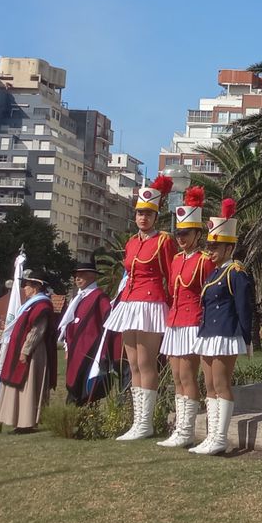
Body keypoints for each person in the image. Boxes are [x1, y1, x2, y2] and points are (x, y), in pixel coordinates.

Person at [106, 175, 175, 440]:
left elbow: (171, 275)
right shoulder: (132, 243)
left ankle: (146, 422)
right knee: (132, 364)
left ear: (156, 216)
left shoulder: (163, 241)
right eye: (139, 213)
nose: (143, 218)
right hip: (130, 302)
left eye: (148, 213)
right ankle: (137, 422)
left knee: (147, 364)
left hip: (151, 303)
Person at [190, 198, 253, 456]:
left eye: (216, 247)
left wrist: (247, 338)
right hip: (209, 335)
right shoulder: (213, 273)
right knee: (209, 386)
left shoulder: (236, 272)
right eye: (209, 246)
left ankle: (221, 437)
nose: (211, 251)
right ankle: (211, 434)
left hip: (226, 334)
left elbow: (244, 308)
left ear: (229, 248)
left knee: (221, 384)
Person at [156, 187, 211, 449]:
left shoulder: (204, 260)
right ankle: (180, 428)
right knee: (176, 377)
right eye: (178, 233)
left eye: (186, 233)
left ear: (198, 234)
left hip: (192, 323)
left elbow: (208, 294)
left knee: (188, 377)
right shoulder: (176, 260)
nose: (180, 238)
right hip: (175, 322)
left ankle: (187, 430)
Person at [0, 271, 58, 433]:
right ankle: (17, 420)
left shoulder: (42, 306)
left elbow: (37, 331)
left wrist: (26, 350)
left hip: (32, 352)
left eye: (27, 285)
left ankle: (26, 422)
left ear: (36, 287)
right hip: (19, 350)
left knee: (28, 386)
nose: (24, 288)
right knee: (18, 386)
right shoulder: (29, 305)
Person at [60, 261, 118, 405]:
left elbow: (108, 323)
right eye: (76, 275)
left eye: (82, 275)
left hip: (90, 350)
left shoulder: (100, 298)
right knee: (73, 383)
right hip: (75, 348)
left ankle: (86, 415)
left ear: (92, 276)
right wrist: (68, 346)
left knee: (86, 385)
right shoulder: (77, 298)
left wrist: (103, 351)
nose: (77, 278)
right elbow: (69, 323)